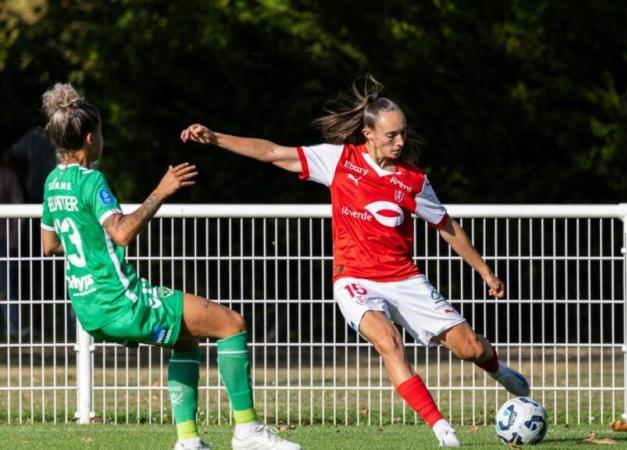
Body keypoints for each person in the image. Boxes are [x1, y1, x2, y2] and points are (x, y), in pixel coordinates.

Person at [181, 76, 530, 447]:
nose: (400, 142)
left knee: (470, 347)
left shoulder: (412, 181)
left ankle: (500, 370)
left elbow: (447, 227)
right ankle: (443, 431)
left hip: (404, 278)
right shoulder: (338, 161)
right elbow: (271, 151)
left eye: (402, 134)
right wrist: (215, 137)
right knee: (388, 341)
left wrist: (485, 270)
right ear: (368, 133)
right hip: (354, 279)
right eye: (392, 135)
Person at [39, 83, 300, 450]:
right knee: (231, 324)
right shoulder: (91, 179)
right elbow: (123, 232)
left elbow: (49, 245)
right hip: (122, 300)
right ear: (89, 138)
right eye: (101, 132)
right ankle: (248, 432)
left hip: (89, 307)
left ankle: (189, 441)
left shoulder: (53, 182)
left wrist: (86, 242)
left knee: (186, 340)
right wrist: (162, 190)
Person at [0, 160, 24, 339]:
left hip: (3, 240)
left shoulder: (7, 176)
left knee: (7, 286)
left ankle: (13, 327)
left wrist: (13, 241)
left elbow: (18, 209)